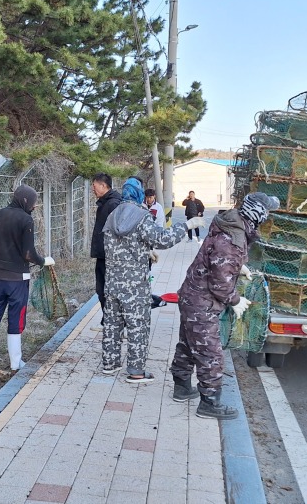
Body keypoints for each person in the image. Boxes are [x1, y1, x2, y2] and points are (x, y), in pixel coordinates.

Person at [170, 192, 279, 419]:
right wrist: (236, 300)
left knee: (189, 344)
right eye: (266, 212)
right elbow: (220, 283)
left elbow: (218, 260)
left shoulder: (230, 223)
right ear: (257, 213)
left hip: (192, 295)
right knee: (210, 353)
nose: (268, 216)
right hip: (201, 301)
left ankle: (181, 388)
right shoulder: (233, 238)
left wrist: (240, 268)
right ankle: (209, 403)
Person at [101, 177, 205, 383]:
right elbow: (163, 239)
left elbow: (113, 246)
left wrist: (144, 251)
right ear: (139, 194)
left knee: (112, 324)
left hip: (112, 282)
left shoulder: (112, 216)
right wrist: (186, 226)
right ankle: (136, 372)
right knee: (137, 325)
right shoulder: (141, 216)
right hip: (134, 285)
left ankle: (110, 364)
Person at [0, 184, 54, 371]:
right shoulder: (26, 220)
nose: (34, 206)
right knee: (16, 318)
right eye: (33, 203)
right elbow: (29, 254)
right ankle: (15, 363)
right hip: (18, 278)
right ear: (25, 201)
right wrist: (44, 261)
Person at [90, 173, 122, 326]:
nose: (92, 189)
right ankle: (109, 319)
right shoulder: (106, 202)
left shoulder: (113, 204)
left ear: (103, 186)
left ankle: (113, 321)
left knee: (105, 290)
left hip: (109, 256)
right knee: (101, 289)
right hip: (103, 254)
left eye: (94, 186)